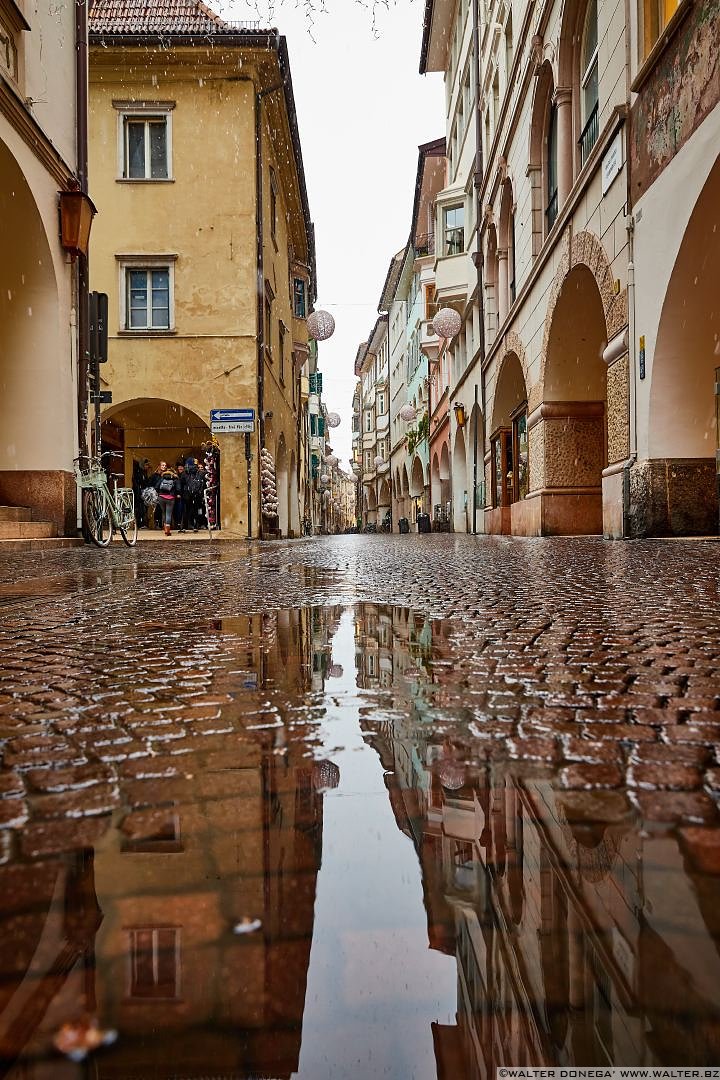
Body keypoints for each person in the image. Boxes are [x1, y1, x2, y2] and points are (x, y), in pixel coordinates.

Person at [153, 461, 179, 536]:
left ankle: (165, 528)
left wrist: (159, 493)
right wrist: (177, 494)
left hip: (161, 497)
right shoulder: (175, 478)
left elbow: (156, 487)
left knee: (164, 512)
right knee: (169, 514)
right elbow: (178, 488)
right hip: (170, 498)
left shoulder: (162, 477)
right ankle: (167, 530)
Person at [183, 457, 205, 532]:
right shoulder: (199, 472)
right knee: (196, 510)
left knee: (187, 510)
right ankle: (196, 526)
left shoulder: (185, 472)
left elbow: (182, 482)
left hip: (187, 493)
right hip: (196, 494)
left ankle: (185, 526)